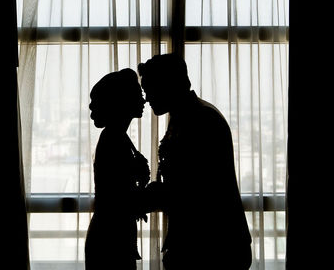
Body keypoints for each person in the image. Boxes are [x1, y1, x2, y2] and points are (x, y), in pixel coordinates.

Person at [138, 54, 252, 269]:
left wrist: (153, 195)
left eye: (150, 89)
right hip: (208, 243)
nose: (146, 98)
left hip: (211, 246)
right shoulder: (191, 116)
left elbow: (197, 190)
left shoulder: (200, 121)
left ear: (167, 85)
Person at [85, 68, 150, 270]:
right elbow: (118, 197)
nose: (144, 100)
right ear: (123, 101)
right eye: (138, 95)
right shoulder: (114, 140)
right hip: (111, 237)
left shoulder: (116, 136)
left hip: (112, 233)